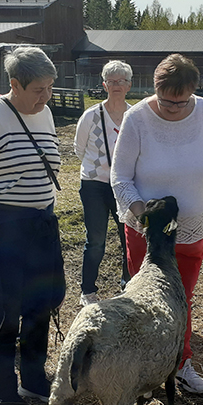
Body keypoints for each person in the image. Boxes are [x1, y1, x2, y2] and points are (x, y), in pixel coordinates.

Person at [112, 53, 203, 395]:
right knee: (147, 301)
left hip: (191, 230)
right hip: (149, 233)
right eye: (166, 101)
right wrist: (142, 213)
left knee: (182, 300)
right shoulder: (137, 118)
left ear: (193, 91)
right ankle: (145, 371)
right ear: (155, 89)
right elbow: (120, 177)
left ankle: (180, 363)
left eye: (182, 100)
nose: (174, 107)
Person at [0, 46, 65, 405]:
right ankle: (2, 391)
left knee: (41, 307)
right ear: (14, 84)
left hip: (41, 227)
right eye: (38, 89)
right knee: (7, 315)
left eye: (50, 87)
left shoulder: (47, 113)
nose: (46, 97)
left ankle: (33, 378)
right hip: (2, 233)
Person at [74, 60, 133, 307]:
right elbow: (79, 148)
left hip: (124, 186)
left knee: (127, 238)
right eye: (111, 81)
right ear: (104, 84)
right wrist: (98, 169)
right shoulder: (91, 115)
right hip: (94, 185)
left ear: (129, 85)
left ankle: (127, 286)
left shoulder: (134, 116)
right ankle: (88, 291)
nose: (116, 85)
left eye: (121, 81)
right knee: (96, 239)